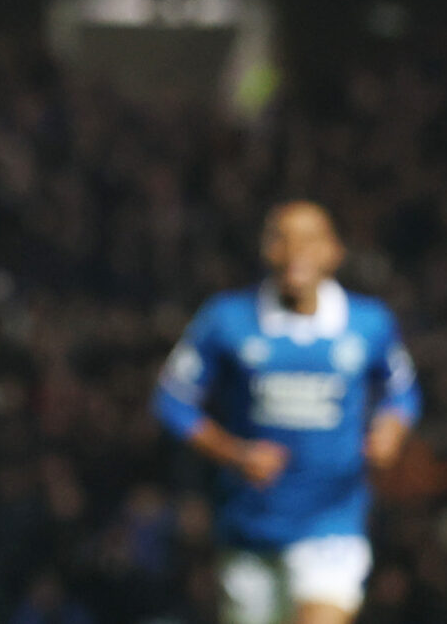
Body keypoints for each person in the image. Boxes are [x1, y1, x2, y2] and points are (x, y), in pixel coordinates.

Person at [155, 201, 421, 624]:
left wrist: (390, 430)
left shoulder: (370, 323)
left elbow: (402, 393)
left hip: (333, 521)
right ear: (267, 250)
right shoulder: (226, 319)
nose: (297, 250)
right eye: (283, 238)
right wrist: (233, 453)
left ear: (334, 251)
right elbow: (172, 400)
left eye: (310, 239)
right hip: (250, 528)